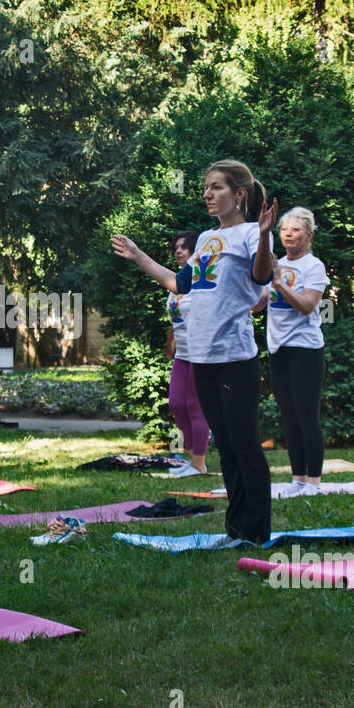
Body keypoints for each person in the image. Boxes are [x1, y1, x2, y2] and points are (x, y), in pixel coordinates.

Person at [113, 160, 276, 543]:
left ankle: (257, 531)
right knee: (228, 449)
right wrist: (138, 255)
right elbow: (178, 283)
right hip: (200, 357)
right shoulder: (204, 239)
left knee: (246, 445)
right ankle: (237, 529)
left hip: (235, 357)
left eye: (216, 187)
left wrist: (267, 236)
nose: (207, 194)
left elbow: (263, 277)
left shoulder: (253, 233)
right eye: (205, 187)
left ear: (239, 194)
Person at [265, 207, 329, 495]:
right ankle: (298, 479)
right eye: (284, 229)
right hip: (278, 350)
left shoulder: (313, 266)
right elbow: (262, 301)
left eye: (295, 229)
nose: (288, 234)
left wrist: (278, 282)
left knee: (306, 416)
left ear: (309, 234)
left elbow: (307, 305)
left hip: (305, 351)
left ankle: (314, 482)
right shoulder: (275, 264)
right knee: (288, 418)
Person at [165, 231, 210, 477]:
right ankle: (193, 460)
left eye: (184, 247)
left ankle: (199, 463)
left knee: (195, 406)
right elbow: (175, 318)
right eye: (176, 248)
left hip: (200, 352)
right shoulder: (175, 283)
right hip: (182, 353)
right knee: (176, 404)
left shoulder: (200, 281)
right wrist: (170, 342)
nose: (179, 251)